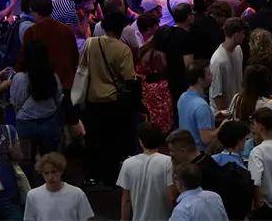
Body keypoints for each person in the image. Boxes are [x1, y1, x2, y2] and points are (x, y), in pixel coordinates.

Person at [82, 13, 137, 186]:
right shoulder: (123, 49)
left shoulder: (90, 43)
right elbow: (129, 79)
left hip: (91, 101)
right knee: (112, 141)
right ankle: (110, 178)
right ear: (121, 29)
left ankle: (92, 176)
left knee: (93, 140)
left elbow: (81, 70)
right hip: (113, 101)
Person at [11, 39, 64, 172]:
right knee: (50, 163)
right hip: (49, 122)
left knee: (25, 163)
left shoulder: (20, 78)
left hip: (25, 124)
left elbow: (16, 102)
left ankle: (28, 185)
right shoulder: (52, 76)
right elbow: (58, 97)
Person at [117, 122, 176, 221]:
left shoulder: (127, 163)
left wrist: (123, 219)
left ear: (140, 141)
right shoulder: (169, 162)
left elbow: (126, 200)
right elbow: (172, 197)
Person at [24, 152, 94, 221]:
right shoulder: (33, 195)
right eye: (46, 173)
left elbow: (84, 218)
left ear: (61, 171)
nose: (50, 177)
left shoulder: (77, 194)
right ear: (42, 173)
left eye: (54, 172)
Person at [210, 17, 246, 112]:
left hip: (236, 110)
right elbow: (217, 95)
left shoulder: (238, 50)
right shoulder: (218, 60)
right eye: (242, 33)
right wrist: (227, 115)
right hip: (224, 114)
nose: (244, 36)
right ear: (236, 35)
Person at [179, 62, 217, 150]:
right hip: (199, 152)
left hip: (186, 149)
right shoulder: (201, 105)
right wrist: (222, 127)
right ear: (200, 80)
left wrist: (212, 116)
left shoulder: (182, 98)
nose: (212, 76)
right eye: (209, 74)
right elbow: (207, 139)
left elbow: (191, 121)